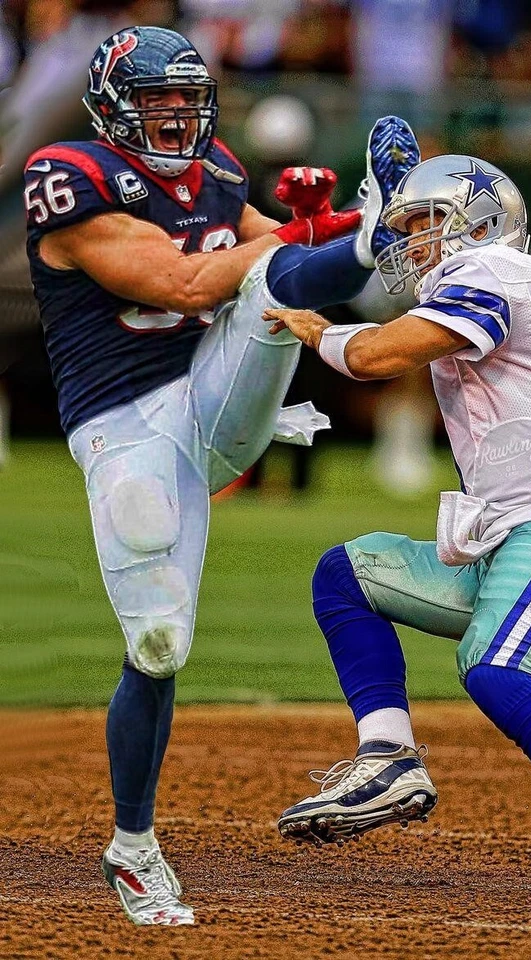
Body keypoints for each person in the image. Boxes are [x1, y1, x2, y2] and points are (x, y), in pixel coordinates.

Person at [23, 23, 421, 925]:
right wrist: (322, 236)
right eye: (155, 98)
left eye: (185, 99)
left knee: (284, 283)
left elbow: (285, 262)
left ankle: (380, 215)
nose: (174, 114)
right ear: (112, 105)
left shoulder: (223, 176)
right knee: (158, 646)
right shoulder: (70, 175)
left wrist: (359, 233)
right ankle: (133, 847)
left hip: (216, 402)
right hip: (125, 427)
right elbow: (183, 284)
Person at [267, 154, 531, 905]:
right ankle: (389, 757)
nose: (411, 242)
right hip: (522, 534)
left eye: (425, 223)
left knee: (494, 668)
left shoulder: (496, 272)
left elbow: (377, 355)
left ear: (481, 225)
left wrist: (319, 332)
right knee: (347, 575)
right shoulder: (521, 283)